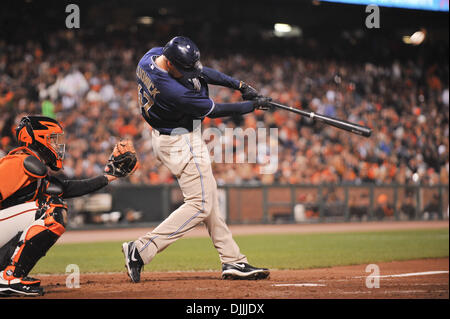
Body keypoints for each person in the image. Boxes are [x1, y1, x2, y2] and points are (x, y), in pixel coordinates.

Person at [122, 36, 272, 282]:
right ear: (170, 63)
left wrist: (240, 84)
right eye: (184, 69)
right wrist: (251, 106)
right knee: (200, 205)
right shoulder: (172, 91)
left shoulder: (150, 57)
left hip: (170, 137)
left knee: (208, 199)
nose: (189, 73)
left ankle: (233, 261)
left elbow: (202, 74)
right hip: (181, 142)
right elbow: (215, 110)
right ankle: (140, 250)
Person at [0, 115, 137, 296]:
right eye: (52, 139)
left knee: (53, 207)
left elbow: (66, 188)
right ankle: (9, 277)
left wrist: (109, 176)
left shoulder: (34, 167)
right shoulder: (18, 162)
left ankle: (11, 275)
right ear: (38, 139)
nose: (57, 145)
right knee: (51, 210)